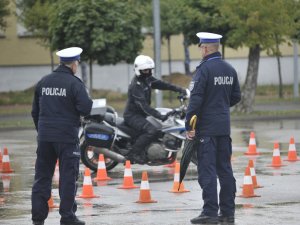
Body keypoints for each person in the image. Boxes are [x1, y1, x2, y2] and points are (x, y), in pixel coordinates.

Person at [31, 47, 93, 225]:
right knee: (67, 177)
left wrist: (42, 132)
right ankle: (67, 217)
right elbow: (86, 108)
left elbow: (35, 112)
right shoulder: (75, 83)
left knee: (42, 178)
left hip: (45, 138)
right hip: (66, 138)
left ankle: (37, 220)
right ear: (74, 64)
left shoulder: (43, 82)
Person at [185, 32, 241, 224]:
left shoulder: (204, 70)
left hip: (206, 130)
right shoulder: (229, 69)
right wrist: (219, 105)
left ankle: (209, 212)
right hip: (223, 128)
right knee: (225, 170)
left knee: (207, 171)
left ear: (206, 48)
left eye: (201, 46)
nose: (200, 49)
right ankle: (227, 213)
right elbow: (236, 97)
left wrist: (189, 125)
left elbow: (195, 101)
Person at [123, 55, 187, 164]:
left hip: (141, 115)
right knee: (151, 130)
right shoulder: (136, 85)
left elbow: (162, 84)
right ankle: (133, 154)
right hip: (132, 116)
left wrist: (180, 89)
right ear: (139, 70)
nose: (148, 72)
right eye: (146, 70)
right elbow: (144, 107)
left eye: (150, 70)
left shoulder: (146, 79)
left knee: (159, 129)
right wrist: (160, 116)